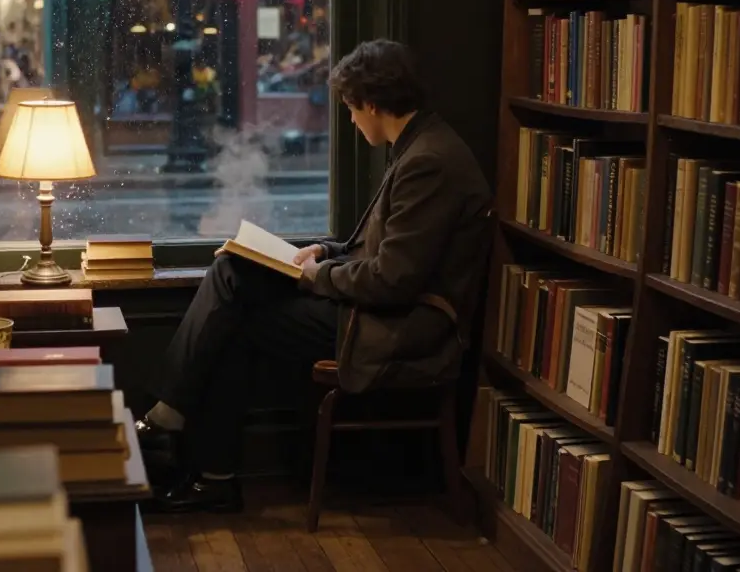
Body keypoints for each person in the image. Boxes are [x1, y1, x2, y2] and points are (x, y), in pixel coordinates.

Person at [136, 39, 494, 513]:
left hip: (401, 328)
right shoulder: (424, 145)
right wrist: (324, 251)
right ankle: (204, 466)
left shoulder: (427, 161)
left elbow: (392, 280)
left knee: (232, 306)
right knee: (232, 276)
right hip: (381, 311)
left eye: (350, 108)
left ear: (370, 102)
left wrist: (313, 276)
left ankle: (182, 436)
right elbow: (383, 252)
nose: (350, 120)